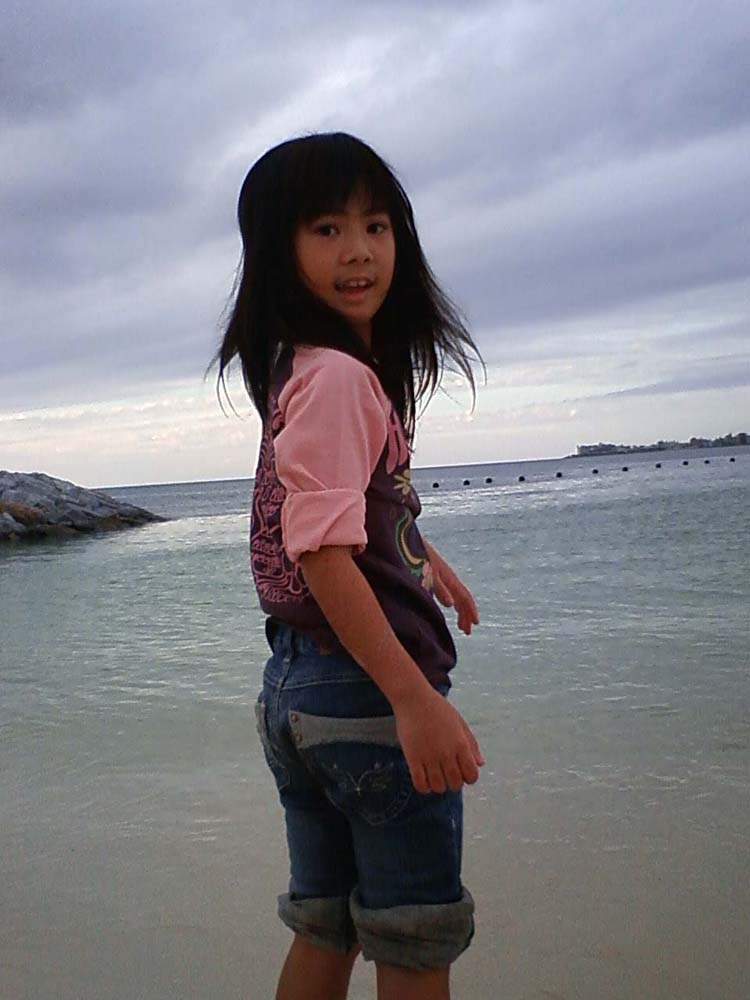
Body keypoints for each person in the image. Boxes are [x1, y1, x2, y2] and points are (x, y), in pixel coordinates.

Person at [215, 131, 486, 1000]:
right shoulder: (337, 378)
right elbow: (324, 553)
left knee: (325, 926)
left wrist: (424, 558)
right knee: (414, 941)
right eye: (327, 229)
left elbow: (336, 510)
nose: (359, 250)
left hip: (295, 692)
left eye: (376, 225)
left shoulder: (299, 370)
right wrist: (414, 699)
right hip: (363, 695)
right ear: (278, 250)